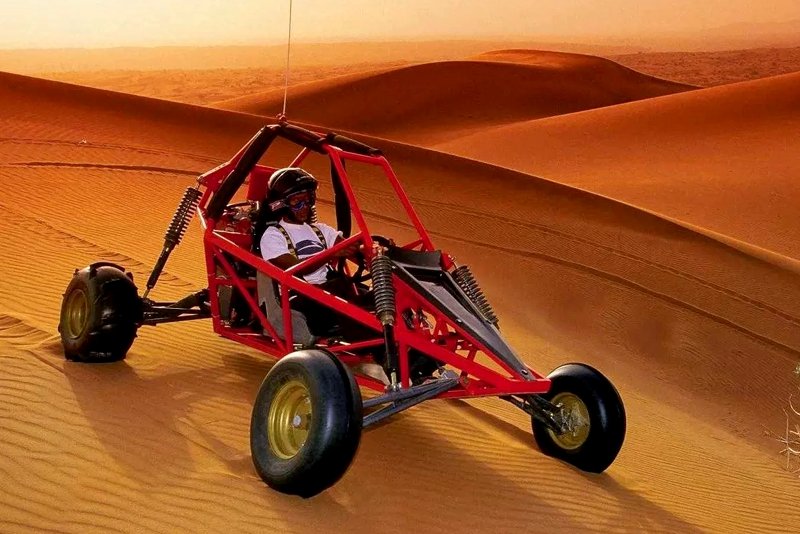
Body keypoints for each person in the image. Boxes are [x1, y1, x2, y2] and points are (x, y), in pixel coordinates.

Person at [257, 167, 441, 384]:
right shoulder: (272, 235)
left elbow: (351, 247)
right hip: (299, 300)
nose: (305, 207)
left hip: (332, 291)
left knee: (384, 299)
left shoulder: (321, 230)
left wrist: (372, 247)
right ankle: (397, 366)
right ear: (282, 205)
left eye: (309, 200)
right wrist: (331, 254)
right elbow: (294, 271)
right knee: (350, 303)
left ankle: (426, 364)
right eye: (298, 201)